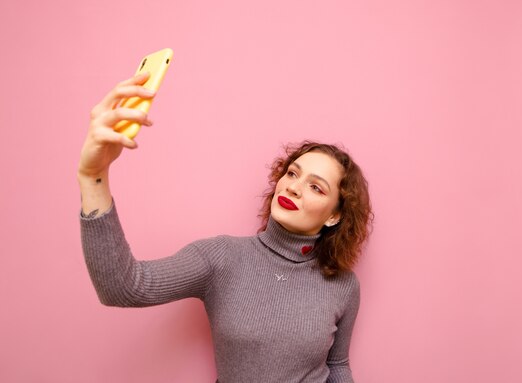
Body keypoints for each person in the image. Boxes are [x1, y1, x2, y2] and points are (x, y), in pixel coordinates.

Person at [78, 72, 373, 382]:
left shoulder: (343, 285)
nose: (294, 187)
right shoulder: (221, 257)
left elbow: (338, 366)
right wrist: (93, 176)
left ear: (334, 216)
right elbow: (123, 288)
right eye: (292, 174)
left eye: (316, 187)